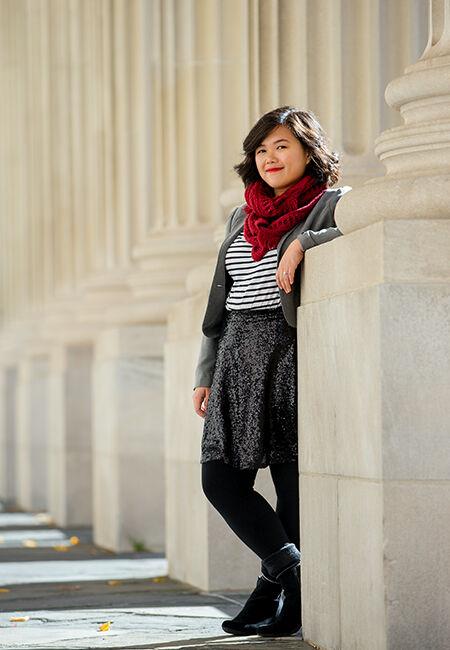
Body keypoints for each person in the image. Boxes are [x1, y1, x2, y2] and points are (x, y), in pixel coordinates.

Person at [192, 106, 351, 638]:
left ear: (309, 150)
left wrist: (306, 240)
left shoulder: (329, 203)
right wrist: (205, 372)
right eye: (261, 149)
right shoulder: (243, 217)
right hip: (237, 355)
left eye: (281, 145)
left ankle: (280, 597)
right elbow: (225, 304)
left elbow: (359, 226)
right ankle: (290, 573)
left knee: (290, 485)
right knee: (220, 479)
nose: (270, 157)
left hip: (286, 357)